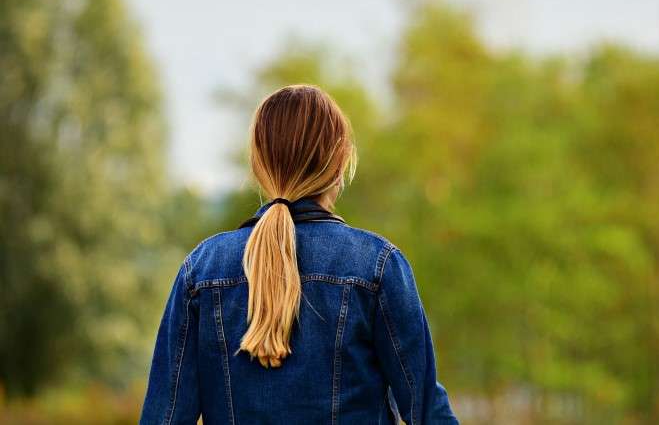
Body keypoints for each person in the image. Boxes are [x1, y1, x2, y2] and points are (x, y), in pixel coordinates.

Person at [140, 84, 459, 425]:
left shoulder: (201, 271)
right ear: (340, 164)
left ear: (258, 165)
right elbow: (428, 412)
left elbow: (165, 417)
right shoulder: (377, 267)